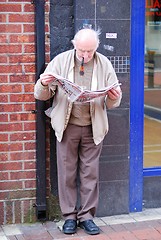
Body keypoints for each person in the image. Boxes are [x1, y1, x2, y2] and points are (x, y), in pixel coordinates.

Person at [34, 28, 122, 235]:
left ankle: (87, 217)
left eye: (90, 51)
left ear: (96, 48)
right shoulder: (61, 61)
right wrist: (44, 83)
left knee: (90, 174)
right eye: (82, 50)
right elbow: (41, 94)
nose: (86, 55)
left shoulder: (104, 64)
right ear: (75, 45)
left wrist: (114, 95)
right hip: (68, 126)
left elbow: (114, 102)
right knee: (67, 173)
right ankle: (69, 217)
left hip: (94, 127)